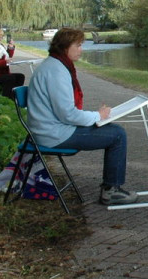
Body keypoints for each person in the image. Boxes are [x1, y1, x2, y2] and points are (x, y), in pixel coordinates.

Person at [27, 27, 137, 206]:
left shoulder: (54, 65)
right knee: (117, 134)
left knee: (114, 130)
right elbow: (68, 114)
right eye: (77, 45)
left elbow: (65, 112)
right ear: (64, 47)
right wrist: (97, 116)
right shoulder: (57, 71)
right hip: (54, 134)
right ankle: (111, 191)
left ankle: (111, 188)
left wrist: (97, 117)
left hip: (48, 129)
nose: (81, 50)